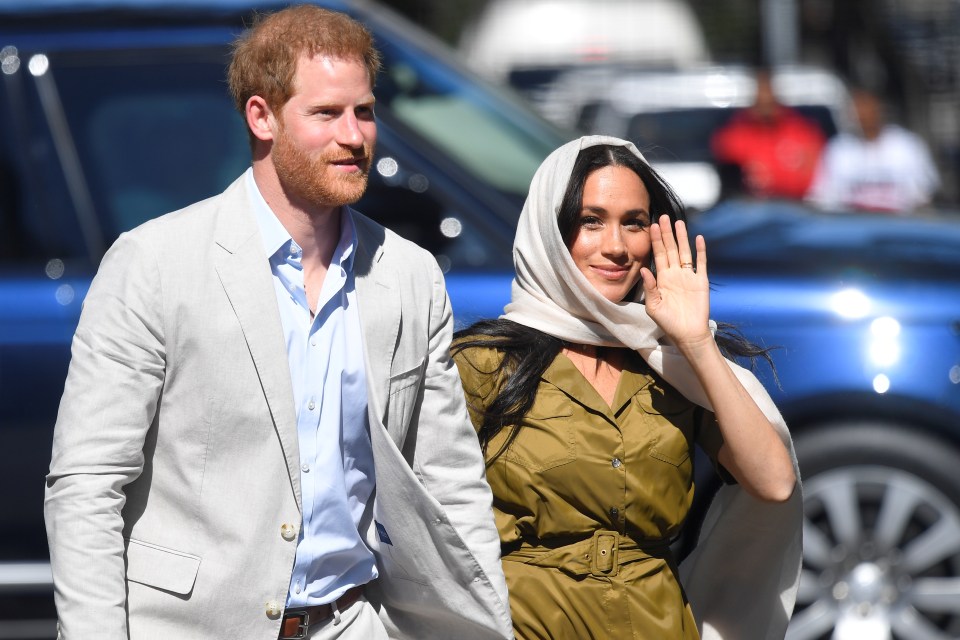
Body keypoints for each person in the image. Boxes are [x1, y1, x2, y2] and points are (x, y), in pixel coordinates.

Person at [43, 6, 511, 640]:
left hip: (355, 622)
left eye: (364, 112)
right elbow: (87, 486)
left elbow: (449, 481)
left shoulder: (408, 275)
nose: (355, 136)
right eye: (326, 114)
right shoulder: (153, 264)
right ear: (261, 116)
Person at [452, 135, 802, 639]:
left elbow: (774, 484)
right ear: (551, 231)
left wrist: (697, 341)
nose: (616, 247)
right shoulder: (483, 363)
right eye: (591, 220)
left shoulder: (672, 360)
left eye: (633, 223)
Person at [807, 87, 940, 213]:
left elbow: (923, 198)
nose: (860, 113)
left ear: (879, 108)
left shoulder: (907, 146)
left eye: (865, 105)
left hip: (900, 228)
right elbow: (822, 200)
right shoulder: (838, 149)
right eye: (856, 107)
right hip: (851, 229)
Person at [710, 68, 826, 200]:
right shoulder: (733, 136)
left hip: (797, 207)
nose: (765, 109)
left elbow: (814, 178)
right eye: (760, 103)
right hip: (751, 208)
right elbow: (731, 179)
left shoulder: (803, 132)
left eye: (770, 103)